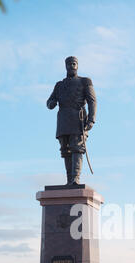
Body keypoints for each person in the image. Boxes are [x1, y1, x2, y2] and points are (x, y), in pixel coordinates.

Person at [47, 56, 97, 185]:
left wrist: (91, 119)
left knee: (77, 148)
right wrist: (51, 103)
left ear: (77, 66)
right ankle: (69, 180)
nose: (72, 66)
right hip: (63, 119)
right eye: (69, 64)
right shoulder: (59, 85)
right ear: (66, 66)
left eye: (74, 64)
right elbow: (49, 100)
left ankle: (75, 179)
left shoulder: (85, 81)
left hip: (78, 118)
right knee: (65, 150)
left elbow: (92, 101)